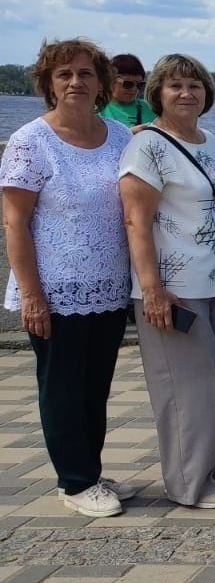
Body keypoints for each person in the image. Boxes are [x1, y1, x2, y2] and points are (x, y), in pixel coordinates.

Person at [3, 38, 135, 517]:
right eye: (64, 75)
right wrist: (32, 295)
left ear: (101, 83)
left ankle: (91, 470)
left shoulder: (120, 138)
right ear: (48, 84)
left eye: (85, 74)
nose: (76, 82)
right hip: (55, 289)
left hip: (108, 285)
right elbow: (15, 223)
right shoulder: (30, 142)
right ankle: (75, 481)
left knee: (95, 385)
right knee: (61, 386)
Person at [119, 53, 215, 509]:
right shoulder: (146, 146)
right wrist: (151, 287)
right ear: (157, 95)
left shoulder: (207, 140)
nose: (186, 94)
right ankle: (189, 481)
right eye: (174, 87)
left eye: (194, 86)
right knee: (187, 385)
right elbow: (136, 220)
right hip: (173, 286)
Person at [99, 53, 156, 128]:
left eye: (140, 84)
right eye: (128, 84)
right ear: (110, 81)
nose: (134, 89)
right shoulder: (97, 110)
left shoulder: (151, 109)